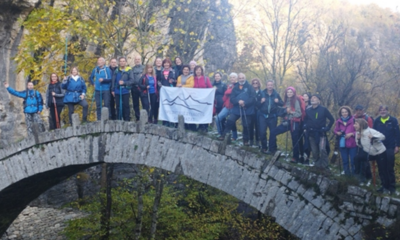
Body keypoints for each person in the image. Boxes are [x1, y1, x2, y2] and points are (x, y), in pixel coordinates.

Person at [268, 87, 304, 163]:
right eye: (288, 92)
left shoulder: (296, 101)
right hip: (286, 122)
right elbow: (283, 112)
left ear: (294, 93)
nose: (289, 94)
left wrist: (290, 112)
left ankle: (295, 157)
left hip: (294, 123)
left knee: (295, 140)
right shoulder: (286, 101)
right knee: (273, 132)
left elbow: (299, 113)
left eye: (291, 92)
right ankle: (272, 149)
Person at [219, 73, 256, 146]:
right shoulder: (235, 87)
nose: (241, 79)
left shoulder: (249, 87)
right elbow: (232, 98)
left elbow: (253, 98)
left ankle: (245, 140)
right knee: (230, 120)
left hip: (247, 109)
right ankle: (224, 135)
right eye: (240, 78)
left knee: (246, 125)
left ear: (245, 78)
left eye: (243, 78)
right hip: (237, 108)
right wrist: (238, 101)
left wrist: (245, 103)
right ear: (238, 79)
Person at [354, 119, 389, 192]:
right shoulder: (357, 133)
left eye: (356, 124)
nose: (354, 125)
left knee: (382, 170)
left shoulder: (370, 131)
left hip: (380, 152)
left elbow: (383, 137)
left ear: (361, 125)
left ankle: (385, 187)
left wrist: (373, 137)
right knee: (357, 158)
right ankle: (357, 176)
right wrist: (358, 139)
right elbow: (359, 145)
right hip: (370, 153)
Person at [373, 105, 400, 194]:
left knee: (390, 167)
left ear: (387, 111)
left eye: (384, 110)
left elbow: (397, 133)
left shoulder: (393, 120)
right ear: (379, 111)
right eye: (381, 110)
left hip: (390, 146)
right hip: (379, 147)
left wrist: (397, 146)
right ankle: (383, 186)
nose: (383, 111)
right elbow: (373, 133)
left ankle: (392, 188)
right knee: (381, 167)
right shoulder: (376, 121)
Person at [303, 94, 334, 170]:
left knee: (322, 149)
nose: (313, 99)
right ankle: (317, 165)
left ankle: (325, 166)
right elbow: (305, 120)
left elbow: (332, 119)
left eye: (315, 98)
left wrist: (327, 128)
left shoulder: (323, 109)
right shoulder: (308, 110)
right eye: (312, 98)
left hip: (321, 133)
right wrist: (305, 126)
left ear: (319, 101)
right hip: (311, 133)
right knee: (314, 150)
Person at [257, 80, 284, 154]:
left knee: (273, 133)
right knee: (262, 132)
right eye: (268, 85)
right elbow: (256, 104)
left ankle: (272, 149)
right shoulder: (262, 93)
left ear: (273, 86)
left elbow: (282, 103)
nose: (270, 86)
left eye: (271, 85)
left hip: (272, 116)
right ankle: (264, 147)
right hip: (263, 115)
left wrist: (278, 101)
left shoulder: (276, 94)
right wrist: (261, 102)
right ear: (266, 86)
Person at [334, 106, 357, 175]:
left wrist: (352, 134)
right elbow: (335, 130)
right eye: (342, 112)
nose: (344, 113)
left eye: (346, 112)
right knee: (345, 160)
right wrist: (337, 132)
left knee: (353, 161)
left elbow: (359, 131)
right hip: (342, 143)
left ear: (349, 112)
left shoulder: (354, 120)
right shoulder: (338, 121)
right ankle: (347, 175)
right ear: (340, 113)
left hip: (352, 143)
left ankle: (354, 175)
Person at [353, 104, 374, 181]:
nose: (359, 111)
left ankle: (367, 177)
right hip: (356, 141)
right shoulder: (353, 118)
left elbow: (370, 130)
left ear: (363, 110)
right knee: (357, 159)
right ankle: (359, 176)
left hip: (366, 142)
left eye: (360, 110)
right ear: (355, 111)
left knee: (365, 161)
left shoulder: (368, 118)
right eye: (357, 110)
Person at [216, 73, 238, 140]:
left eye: (234, 77)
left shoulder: (238, 86)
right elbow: (225, 96)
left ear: (236, 78)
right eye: (231, 77)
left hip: (234, 107)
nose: (232, 79)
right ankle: (220, 133)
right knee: (218, 118)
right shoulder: (229, 85)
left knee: (231, 121)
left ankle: (234, 136)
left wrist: (227, 92)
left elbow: (231, 92)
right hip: (227, 106)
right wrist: (226, 94)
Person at [111, 57, 133, 121]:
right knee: (118, 106)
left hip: (125, 91)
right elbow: (113, 81)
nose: (122, 62)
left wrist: (124, 82)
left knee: (126, 106)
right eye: (121, 61)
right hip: (117, 91)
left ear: (126, 62)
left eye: (123, 61)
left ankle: (127, 121)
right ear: (119, 62)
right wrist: (112, 90)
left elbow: (132, 81)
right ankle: (119, 120)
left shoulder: (129, 70)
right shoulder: (117, 71)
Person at [193, 65, 213, 132]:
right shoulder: (192, 78)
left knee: (204, 112)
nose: (198, 71)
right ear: (195, 71)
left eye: (199, 70)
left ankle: (204, 126)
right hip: (195, 99)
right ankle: (198, 126)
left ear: (201, 71)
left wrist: (213, 90)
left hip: (204, 99)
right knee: (197, 112)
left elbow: (210, 87)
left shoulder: (205, 78)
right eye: (197, 70)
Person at [130, 55, 144, 121]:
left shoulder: (144, 68)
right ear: (134, 61)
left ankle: (145, 117)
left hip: (143, 88)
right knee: (135, 104)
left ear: (140, 60)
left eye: (138, 59)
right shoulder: (132, 69)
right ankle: (137, 118)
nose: (137, 60)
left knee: (144, 103)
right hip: (134, 88)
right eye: (136, 59)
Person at [299, 92, 312, 163]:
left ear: (309, 98)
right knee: (299, 140)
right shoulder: (299, 105)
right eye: (303, 96)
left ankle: (306, 157)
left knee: (307, 141)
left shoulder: (310, 107)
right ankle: (300, 156)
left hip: (307, 126)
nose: (304, 97)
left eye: (306, 96)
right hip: (299, 124)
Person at [249, 78, 262, 146]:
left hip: (258, 111)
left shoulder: (261, 92)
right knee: (250, 125)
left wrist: (259, 103)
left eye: (256, 83)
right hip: (250, 111)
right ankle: (251, 140)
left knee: (258, 126)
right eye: (253, 83)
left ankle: (257, 140)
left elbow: (262, 103)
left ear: (259, 84)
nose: (255, 84)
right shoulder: (250, 92)